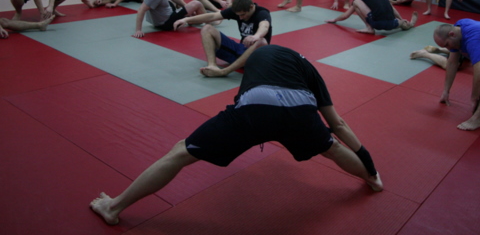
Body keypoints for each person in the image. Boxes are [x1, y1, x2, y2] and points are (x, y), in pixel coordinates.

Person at [90, 45, 383, 226]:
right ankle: (372, 180)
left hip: (256, 105)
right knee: (332, 148)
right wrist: (369, 163)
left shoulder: (258, 54)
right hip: (300, 110)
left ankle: (114, 207)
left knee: (181, 152)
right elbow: (338, 124)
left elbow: (242, 88)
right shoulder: (309, 69)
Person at [174, 0, 271, 77]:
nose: (240, 18)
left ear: (251, 7)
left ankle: (224, 72)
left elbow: (264, 26)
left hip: (255, 58)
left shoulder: (262, 13)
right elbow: (213, 16)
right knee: (207, 28)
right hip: (241, 52)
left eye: (243, 15)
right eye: (238, 15)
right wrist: (186, 19)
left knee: (261, 41)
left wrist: (256, 36)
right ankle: (212, 66)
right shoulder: (238, 11)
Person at [327, 0, 418, 34]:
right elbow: (391, 7)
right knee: (402, 23)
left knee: (356, 2)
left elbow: (346, 15)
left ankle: (369, 28)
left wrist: (335, 19)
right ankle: (410, 24)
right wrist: (400, 19)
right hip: (392, 23)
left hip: (378, 23)